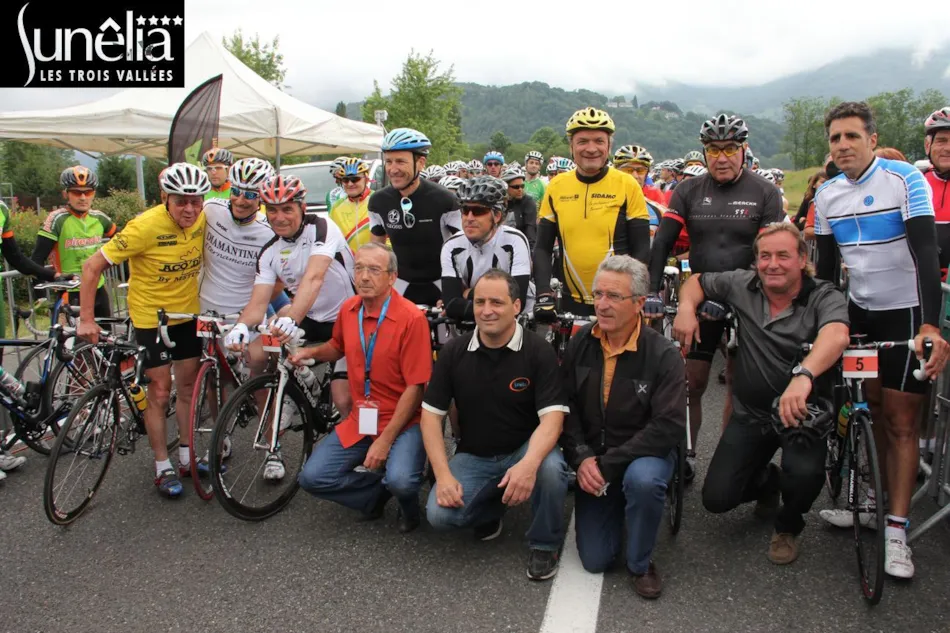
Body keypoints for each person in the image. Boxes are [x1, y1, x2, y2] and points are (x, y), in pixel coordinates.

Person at [814, 101, 950, 579]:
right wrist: (825, 324)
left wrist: (930, 325)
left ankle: (896, 531)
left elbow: (927, 253)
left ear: (872, 139)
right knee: (868, 411)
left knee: (901, 422)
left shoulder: (903, 179)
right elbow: (825, 272)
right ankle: (871, 503)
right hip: (860, 316)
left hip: (906, 315)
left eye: (852, 136)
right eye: (835, 138)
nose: (843, 145)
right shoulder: (826, 195)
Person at [674, 222, 850, 564]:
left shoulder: (824, 294)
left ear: (802, 259)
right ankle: (770, 482)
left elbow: (837, 335)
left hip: (802, 414)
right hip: (752, 413)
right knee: (716, 499)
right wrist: (685, 309)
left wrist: (804, 376)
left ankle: (788, 525)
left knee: (804, 476)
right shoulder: (743, 283)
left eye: (783, 255)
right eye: (765, 256)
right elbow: (696, 281)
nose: (772, 264)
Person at [645, 114, 786, 482]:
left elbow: (769, 252)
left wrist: (734, 294)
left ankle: (730, 463)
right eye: (713, 149)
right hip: (703, 293)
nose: (721, 157)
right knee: (691, 382)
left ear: (743, 150)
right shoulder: (688, 191)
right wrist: (652, 290)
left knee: (739, 385)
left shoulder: (765, 192)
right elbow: (663, 241)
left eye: (730, 149)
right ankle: (686, 454)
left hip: (750, 295)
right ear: (705, 151)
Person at [422, 269, 569, 579]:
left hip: (524, 448)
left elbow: (553, 419)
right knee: (438, 515)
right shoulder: (453, 352)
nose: (486, 311)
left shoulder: (538, 351)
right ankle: (492, 509)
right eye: (480, 302)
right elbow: (431, 417)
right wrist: (443, 476)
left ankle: (544, 543)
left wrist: (528, 465)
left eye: (496, 303)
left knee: (551, 470)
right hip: (475, 454)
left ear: (516, 306)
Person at [78, 163, 209, 498]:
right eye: (181, 201)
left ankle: (186, 456)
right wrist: (87, 319)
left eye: (196, 201)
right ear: (165, 198)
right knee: (160, 392)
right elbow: (91, 266)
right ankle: (162, 465)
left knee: (188, 388)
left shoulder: (205, 218)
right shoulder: (144, 226)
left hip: (187, 315)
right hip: (152, 319)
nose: (190, 209)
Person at [559, 255, 686, 599]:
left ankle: (641, 564)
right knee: (595, 560)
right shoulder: (581, 342)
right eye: (598, 294)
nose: (602, 304)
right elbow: (565, 405)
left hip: (641, 456)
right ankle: (620, 507)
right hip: (594, 457)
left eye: (614, 296)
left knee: (643, 481)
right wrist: (581, 457)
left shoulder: (663, 355)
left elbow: (668, 425)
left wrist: (608, 464)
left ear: (639, 303)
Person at [292, 243, 433, 533]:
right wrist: (311, 353)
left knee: (402, 480)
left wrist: (385, 441)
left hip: (405, 422)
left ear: (392, 277)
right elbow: (337, 346)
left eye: (374, 270)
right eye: (359, 268)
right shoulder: (349, 309)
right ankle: (376, 494)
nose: (364, 276)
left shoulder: (411, 318)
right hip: (363, 419)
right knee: (312, 478)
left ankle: (408, 506)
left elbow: (416, 388)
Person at [225, 173, 356, 479]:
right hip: (312, 318)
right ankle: (289, 400)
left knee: (343, 399)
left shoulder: (321, 227)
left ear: (301, 207)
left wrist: (291, 318)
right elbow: (258, 304)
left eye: (287, 209)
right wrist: (241, 327)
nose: (279, 217)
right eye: (272, 210)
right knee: (261, 347)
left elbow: (314, 278)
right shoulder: (269, 252)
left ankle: (358, 453)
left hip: (348, 318)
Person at [533, 107, 651, 322]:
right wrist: (543, 293)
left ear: (609, 146)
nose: (591, 148)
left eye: (599, 141)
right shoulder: (556, 186)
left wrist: (636, 295)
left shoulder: (627, 184)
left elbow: (641, 248)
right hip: (570, 299)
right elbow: (542, 247)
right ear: (571, 146)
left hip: (617, 300)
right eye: (582, 141)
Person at [368, 128, 461, 306]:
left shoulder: (444, 200)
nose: (393, 169)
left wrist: (458, 291)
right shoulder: (378, 202)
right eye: (389, 162)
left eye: (400, 161)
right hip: (401, 284)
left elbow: (464, 248)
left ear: (420, 162)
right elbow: (376, 251)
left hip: (441, 283)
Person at [441, 176, 531, 321]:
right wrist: (497, 302)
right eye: (465, 210)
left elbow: (516, 303)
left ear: (497, 215)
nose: (469, 218)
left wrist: (469, 294)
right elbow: (451, 305)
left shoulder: (515, 240)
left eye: (478, 211)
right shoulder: (452, 245)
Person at [32, 166, 116, 318]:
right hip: (70, 292)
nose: (83, 198)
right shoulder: (57, 220)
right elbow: (37, 259)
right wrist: (40, 297)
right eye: (76, 192)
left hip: (98, 289)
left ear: (94, 194)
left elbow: (124, 244)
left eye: (88, 192)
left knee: (106, 332)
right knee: (75, 334)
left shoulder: (100, 218)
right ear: (66, 194)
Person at [922, 107, 950, 278]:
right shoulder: (915, 183)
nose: (948, 148)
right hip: (920, 283)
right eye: (941, 141)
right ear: (928, 145)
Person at [329, 158, 375, 251]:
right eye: (345, 180)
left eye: (355, 179)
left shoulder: (378, 200)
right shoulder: (336, 208)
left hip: (375, 258)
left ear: (366, 179)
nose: (350, 184)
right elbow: (331, 238)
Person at [500, 166, 538, 250]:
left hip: (521, 246)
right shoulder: (499, 202)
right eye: (516, 187)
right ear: (506, 187)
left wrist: (531, 251)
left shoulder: (528, 202)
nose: (520, 189)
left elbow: (530, 229)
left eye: (522, 186)